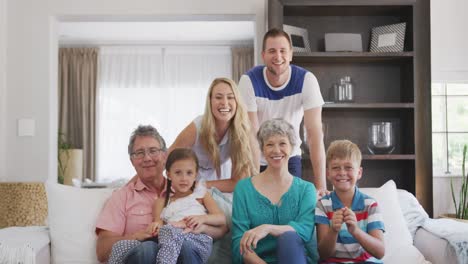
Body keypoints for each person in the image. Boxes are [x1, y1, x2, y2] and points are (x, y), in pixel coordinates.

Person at [95, 125, 224, 263]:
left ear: (164, 156)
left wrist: (201, 226)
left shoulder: (187, 190)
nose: (147, 158)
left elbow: (222, 228)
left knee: (184, 247)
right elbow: (102, 251)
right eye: (139, 153)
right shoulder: (121, 197)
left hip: (185, 247)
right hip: (141, 255)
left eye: (153, 151)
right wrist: (136, 236)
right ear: (132, 161)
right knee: (148, 248)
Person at [238, 28, 327, 195]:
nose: (278, 56)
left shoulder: (307, 80)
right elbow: (252, 134)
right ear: (263, 55)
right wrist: (255, 180)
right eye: (272, 51)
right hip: (260, 156)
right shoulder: (248, 80)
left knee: (290, 206)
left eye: (282, 51)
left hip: (290, 156)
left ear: (291, 54)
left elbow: (314, 133)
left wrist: (321, 186)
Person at [231, 119, 316, 264]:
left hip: (296, 259)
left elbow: (305, 230)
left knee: (289, 237)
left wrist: (268, 228)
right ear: (263, 149)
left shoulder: (306, 189)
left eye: (282, 143)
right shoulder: (243, 189)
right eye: (270, 144)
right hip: (257, 262)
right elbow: (239, 243)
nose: (276, 150)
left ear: (292, 147)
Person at [168, 77, 256, 192]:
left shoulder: (240, 131)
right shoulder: (196, 127)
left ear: (237, 102)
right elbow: (166, 159)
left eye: (230, 97)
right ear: (210, 101)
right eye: (218, 97)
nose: (225, 103)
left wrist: (198, 185)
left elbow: (237, 183)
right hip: (187, 183)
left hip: (216, 183)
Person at [148, 148, 227, 264]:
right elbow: (158, 223)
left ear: (196, 174)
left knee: (177, 238)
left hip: (197, 241)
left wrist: (202, 219)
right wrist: (155, 225)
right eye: (178, 172)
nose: (184, 178)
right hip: (172, 245)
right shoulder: (162, 201)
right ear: (169, 174)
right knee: (166, 232)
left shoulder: (201, 195)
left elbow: (222, 219)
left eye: (189, 173)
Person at [315, 140, 385, 263]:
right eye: (336, 168)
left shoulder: (370, 205)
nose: (342, 173)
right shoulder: (323, 205)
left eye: (348, 167)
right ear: (328, 173)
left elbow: (380, 252)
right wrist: (333, 231)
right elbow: (323, 254)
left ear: (359, 173)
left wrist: (355, 231)